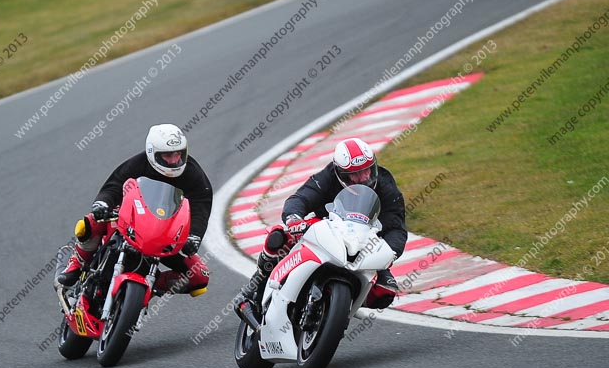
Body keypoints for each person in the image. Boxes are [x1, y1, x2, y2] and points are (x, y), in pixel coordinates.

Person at [235, 137, 407, 311]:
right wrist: (294, 219)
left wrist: (389, 251)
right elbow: (301, 198)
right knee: (278, 239)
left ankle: (342, 304)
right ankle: (256, 285)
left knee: (386, 291)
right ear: (340, 173)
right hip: (325, 229)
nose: (363, 178)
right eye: (355, 174)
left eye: (367, 170)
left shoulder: (386, 186)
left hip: (365, 242)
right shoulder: (328, 177)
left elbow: (396, 227)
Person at [56, 124, 213, 296]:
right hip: (130, 224)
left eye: (179, 154)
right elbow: (114, 186)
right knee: (88, 223)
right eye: (168, 156)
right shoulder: (138, 164)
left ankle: (151, 285)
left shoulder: (193, 173)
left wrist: (195, 235)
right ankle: (76, 264)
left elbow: (201, 204)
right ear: (152, 153)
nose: (174, 160)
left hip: (166, 236)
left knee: (199, 277)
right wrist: (101, 204)